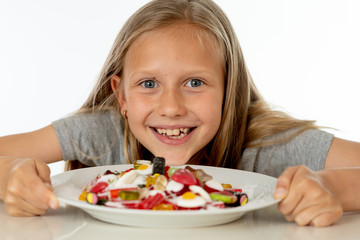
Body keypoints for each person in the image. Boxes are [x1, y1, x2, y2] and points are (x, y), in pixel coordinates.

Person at [0, 0, 359, 227]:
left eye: (195, 83)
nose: (171, 108)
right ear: (120, 95)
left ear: (229, 92)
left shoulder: (266, 143)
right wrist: (9, 176)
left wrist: (335, 188)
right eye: (149, 84)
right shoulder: (101, 133)